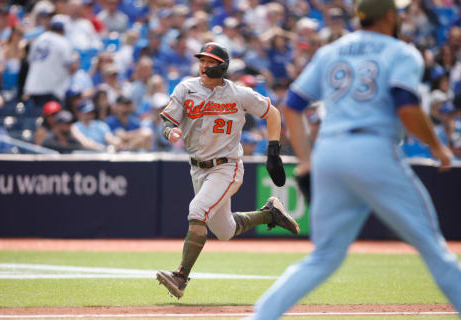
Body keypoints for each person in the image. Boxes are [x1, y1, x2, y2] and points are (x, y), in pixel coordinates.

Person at [247, 1, 461, 319]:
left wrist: (305, 161)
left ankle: (258, 317)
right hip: (372, 149)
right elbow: (406, 107)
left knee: (323, 257)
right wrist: (438, 147)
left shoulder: (332, 51)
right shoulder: (401, 51)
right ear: (390, 15)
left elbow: (292, 105)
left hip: (329, 153)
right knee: (433, 248)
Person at [156, 42, 299, 299]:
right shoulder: (186, 88)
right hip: (198, 169)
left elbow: (273, 113)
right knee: (225, 231)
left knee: (197, 211)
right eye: (202, 60)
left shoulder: (238, 94)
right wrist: (170, 131)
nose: (204, 66)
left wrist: (274, 151)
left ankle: (180, 277)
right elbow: (167, 120)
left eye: (210, 62)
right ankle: (270, 214)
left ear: (222, 66)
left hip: (227, 166)